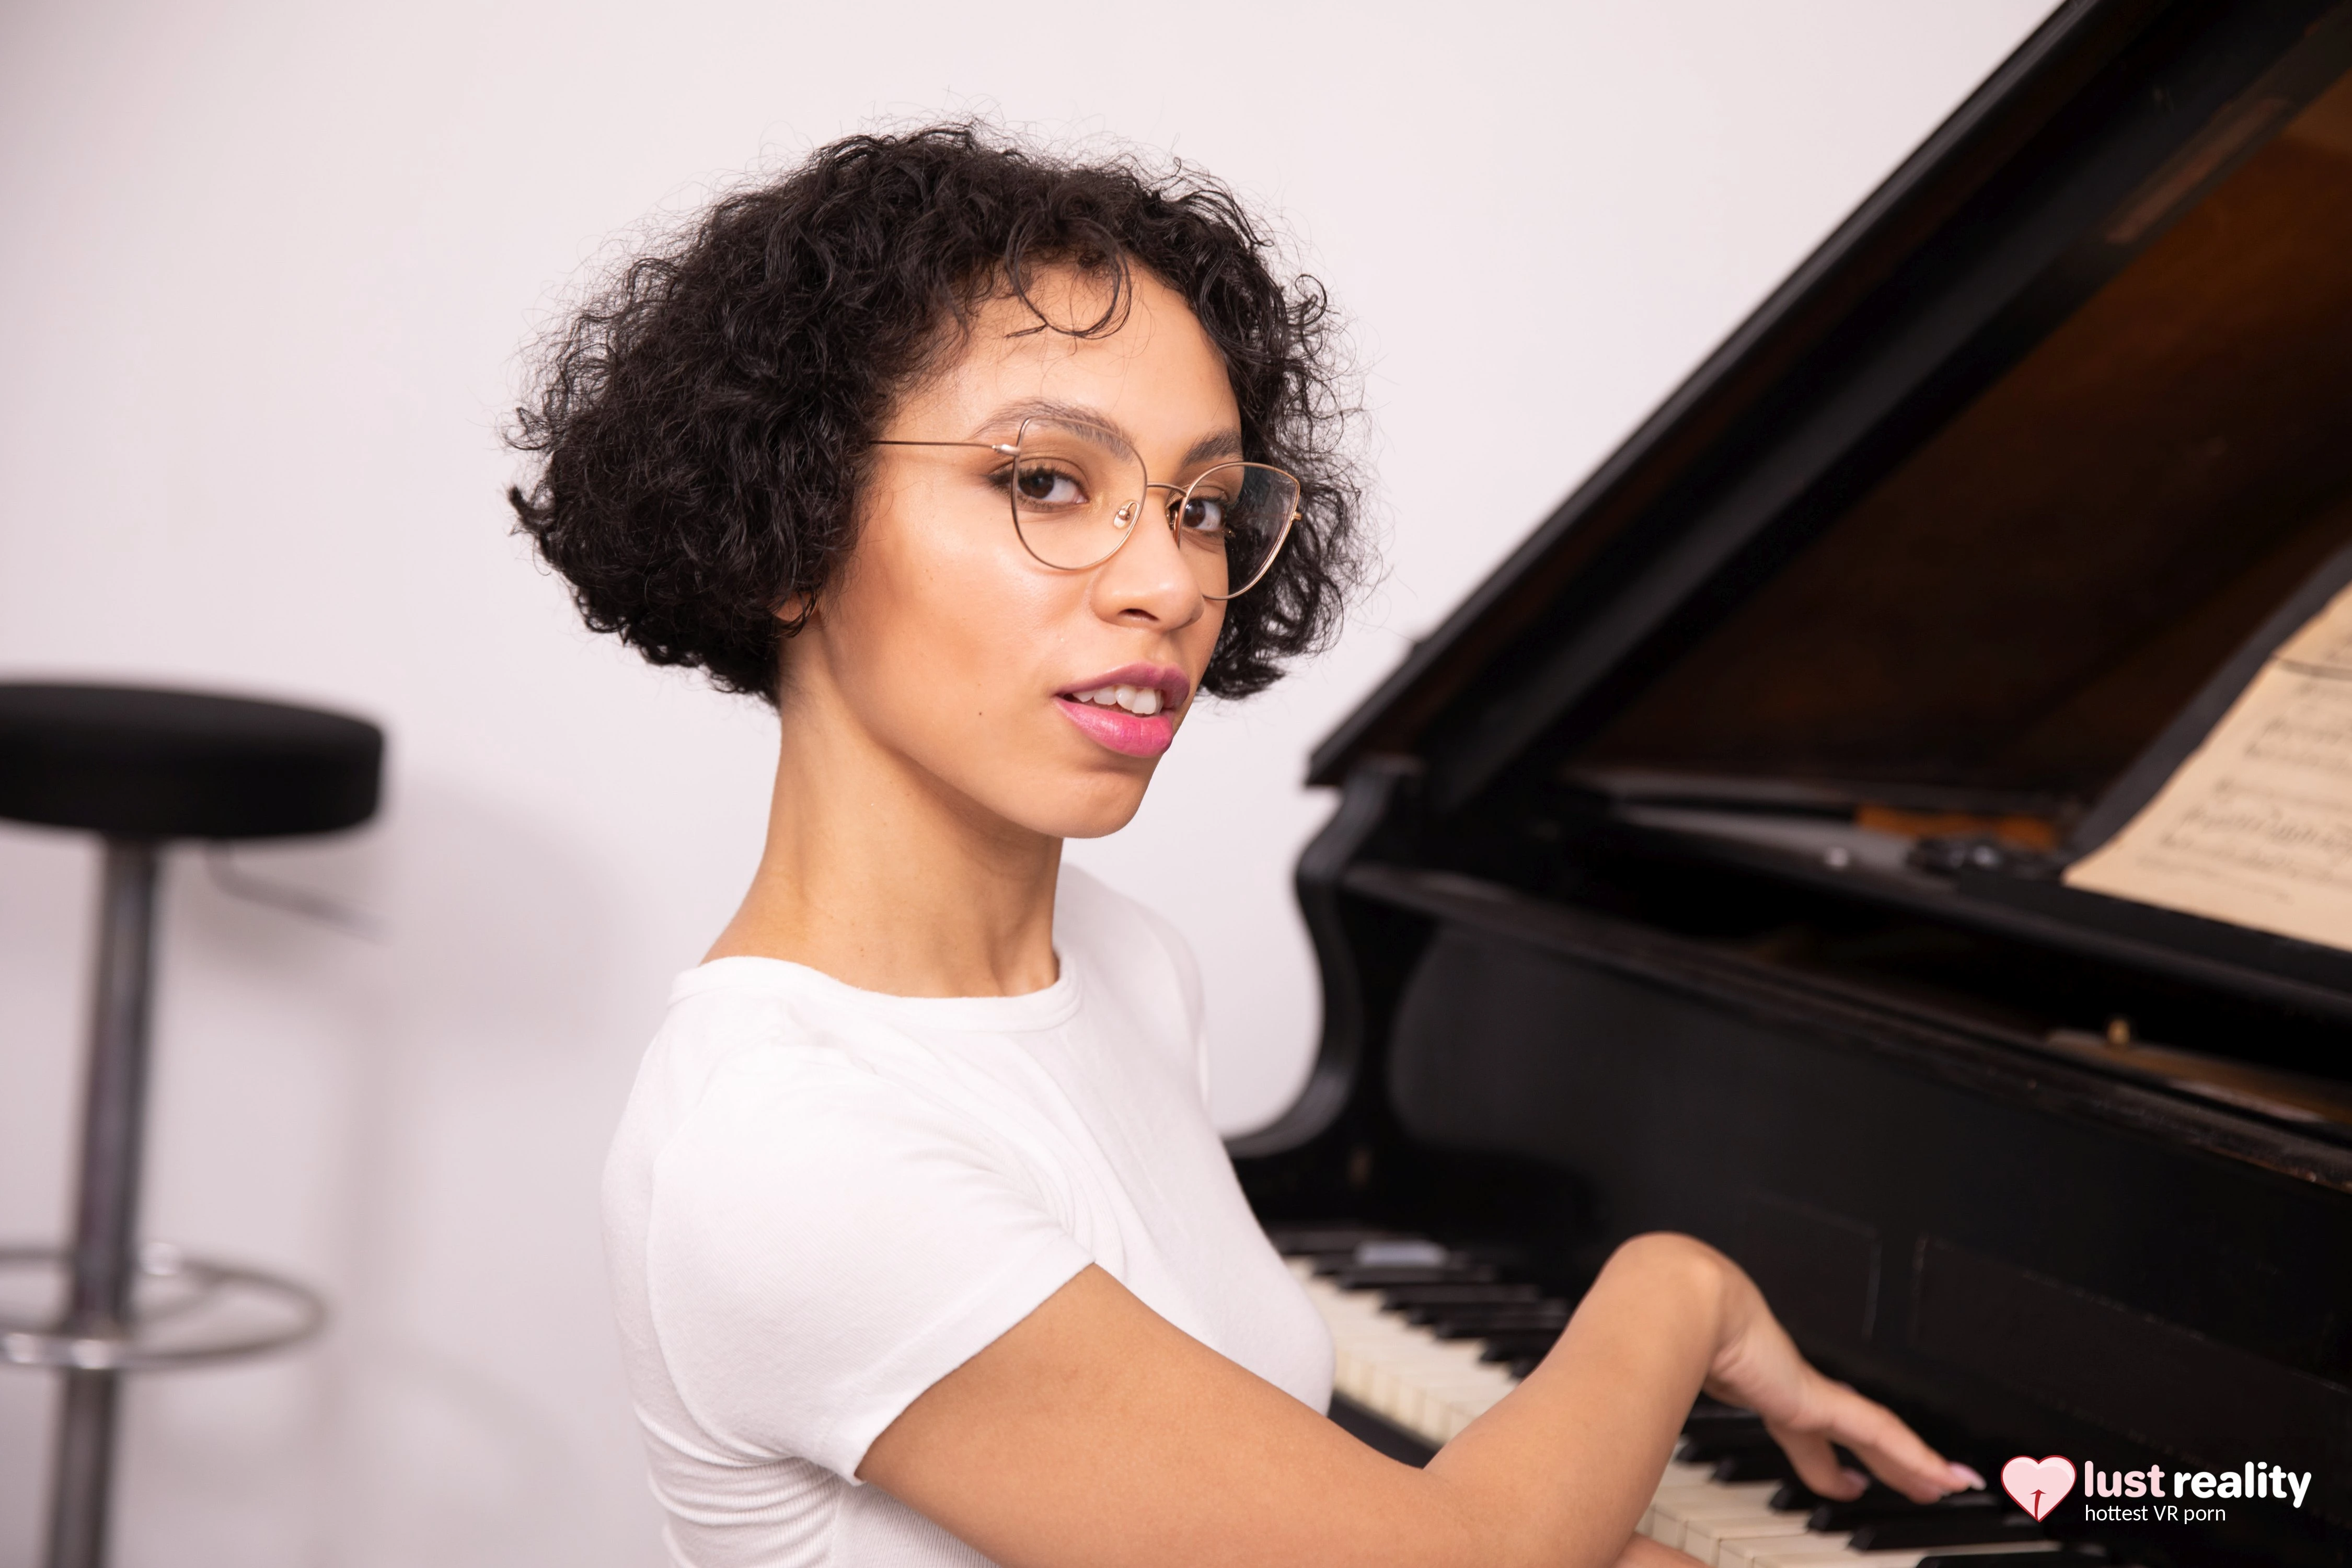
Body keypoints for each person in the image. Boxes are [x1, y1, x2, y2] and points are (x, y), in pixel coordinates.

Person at [507, 124, 1985, 1568]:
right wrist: (1681, 1290)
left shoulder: (1123, 960)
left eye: (1203, 506)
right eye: (1044, 481)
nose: (1167, 583)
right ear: (787, 525)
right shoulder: (786, 1150)